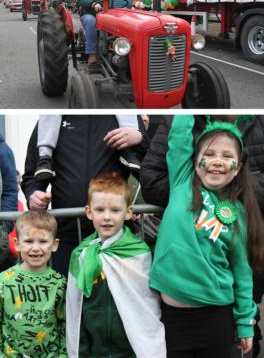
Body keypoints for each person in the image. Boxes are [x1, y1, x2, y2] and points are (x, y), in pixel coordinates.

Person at [141, 115, 264, 355]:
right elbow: (178, 135)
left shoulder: (238, 214)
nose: (217, 161)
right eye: (209, 154)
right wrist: (193, 101)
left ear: (238, 169)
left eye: (227, 156)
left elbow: (242, 273)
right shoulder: (182, 181)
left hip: (215, 319)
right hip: (170, 318)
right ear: (195, 160)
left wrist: (245, 324)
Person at [22, 115, 148, 275]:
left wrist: (140, 139)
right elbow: (32, 175)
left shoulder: (126, 119)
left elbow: (150, 165)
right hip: (67, 237)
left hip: (113, 240)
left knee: (112, 299)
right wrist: (33, 195)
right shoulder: (50, 119)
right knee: (67, 298)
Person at [66, 173, 165, 357]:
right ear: (89, 212)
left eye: (115, 210)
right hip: (95, 349)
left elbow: (146, 304)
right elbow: (75, 307)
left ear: (128, 212)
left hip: (130, 349)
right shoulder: (81, 255)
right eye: (100, 209)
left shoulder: (138, 252)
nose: (107, 217)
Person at [0, 210, 66, 357]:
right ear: (17, 244)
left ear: (54, 244)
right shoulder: (3, 281)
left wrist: (64, 355)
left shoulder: (60, 283)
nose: (35, 248)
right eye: (28, 241)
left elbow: (65, 324)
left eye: (43, 241)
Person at [34, 115, 143, 180]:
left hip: (112, 211)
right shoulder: (47, 126)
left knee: (128, 111)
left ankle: (129, 149)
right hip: (67, 215)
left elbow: (149, 163)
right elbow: (31, 176)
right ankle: (45, 157)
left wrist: (139, 137)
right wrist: (33, 193)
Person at [76, 0, 109, 64]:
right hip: (89, 14)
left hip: (106, 15)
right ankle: (91, 54)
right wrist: (93, 4)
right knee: (91, 21)